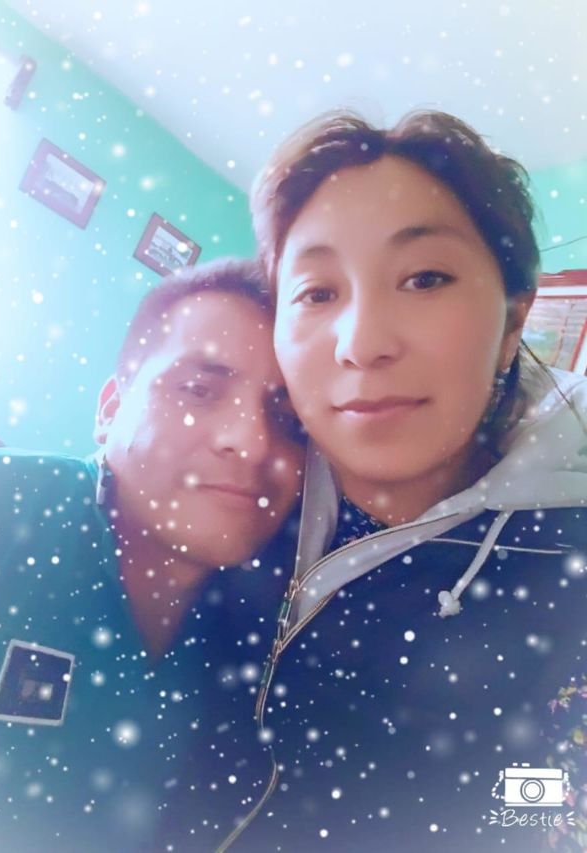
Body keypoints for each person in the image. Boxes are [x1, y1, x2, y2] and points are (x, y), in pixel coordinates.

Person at [218, 111, 587, 852]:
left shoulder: (565, 563)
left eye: (425, 278)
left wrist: (477, 799)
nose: (362, 344)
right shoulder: (235, 483)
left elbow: (557, 803)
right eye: (317, 292)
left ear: (514, 322)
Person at [0, 258, 305, 852]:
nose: (248, 442)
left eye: (289, 420)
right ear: (111, 408)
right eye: (198, 391)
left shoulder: (270, 642)